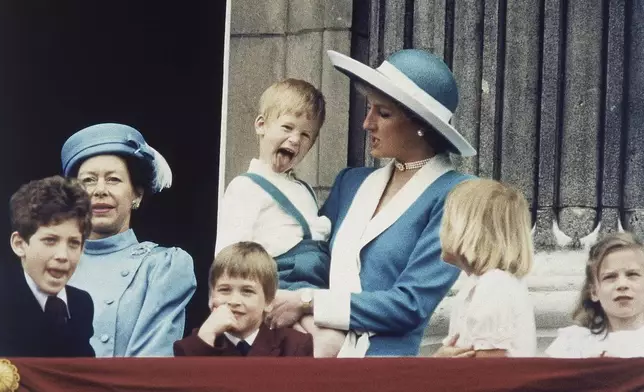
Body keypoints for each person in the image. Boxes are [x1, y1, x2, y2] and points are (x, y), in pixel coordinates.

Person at [266, 49, 477, 357]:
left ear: (421, 124)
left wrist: (308, 301)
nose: (367, 123)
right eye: (369, 109)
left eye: (383, 113)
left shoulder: (455, 195)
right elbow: (310, 263)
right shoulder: (350, 183)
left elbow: (411, 304)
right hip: (310, 358)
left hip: (384, 372)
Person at [214, 78, 344, 357]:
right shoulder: (246, 186)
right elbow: (229, 255)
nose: (295, 139)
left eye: (306, 135)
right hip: (278, 289)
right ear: (261, 125)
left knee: (335, 341)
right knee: (328, 343)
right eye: (287, 127)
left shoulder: (303, 189)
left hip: (311, 291)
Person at [60, 123, 197, 357]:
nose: (99, 190)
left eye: (113, 179)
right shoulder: (50, 266)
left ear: (137, 194)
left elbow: (149, 368)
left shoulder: (162, 267)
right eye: (88, 181)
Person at [434, 178, 536, 358]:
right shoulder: (480, 284)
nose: (440, 232)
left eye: (447, 223)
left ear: (470, 231)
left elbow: (489, 371)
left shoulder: (495, 285)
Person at [0, 176, 95, 357]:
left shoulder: (81, 304)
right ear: (19, 244)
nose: (62, 256)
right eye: (50, 240)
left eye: (74, 243)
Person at [174, 242, 313, 357]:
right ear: (211, 297)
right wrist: (206, 335)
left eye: (247, 291)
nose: (234, 301)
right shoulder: (192, 345)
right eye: (225, 290)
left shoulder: (295, 346)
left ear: (269, 301)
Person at [546, 232, 644, 358]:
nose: (622, 285)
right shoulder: (572, 343)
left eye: (632, 275)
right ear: (594, 292)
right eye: (610, 277)